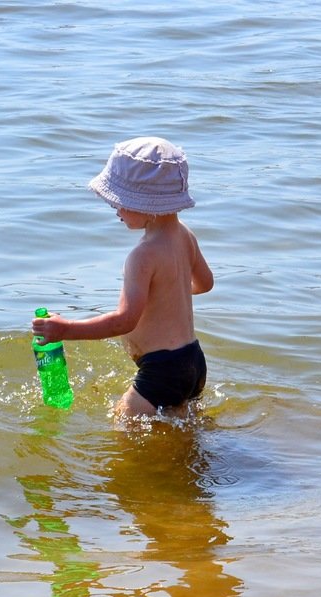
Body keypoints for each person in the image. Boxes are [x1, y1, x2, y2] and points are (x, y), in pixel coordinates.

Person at [31, 136, 214, 418]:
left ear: (147, 205)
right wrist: (167, 295)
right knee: (185, 435)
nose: (114, 208)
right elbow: (205, 283)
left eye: (120, 201)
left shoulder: (142, 256)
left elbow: (124, 321)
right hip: (192, 360)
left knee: (123, 437)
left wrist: (65, 329)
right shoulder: (185, 235)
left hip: (161, 370)